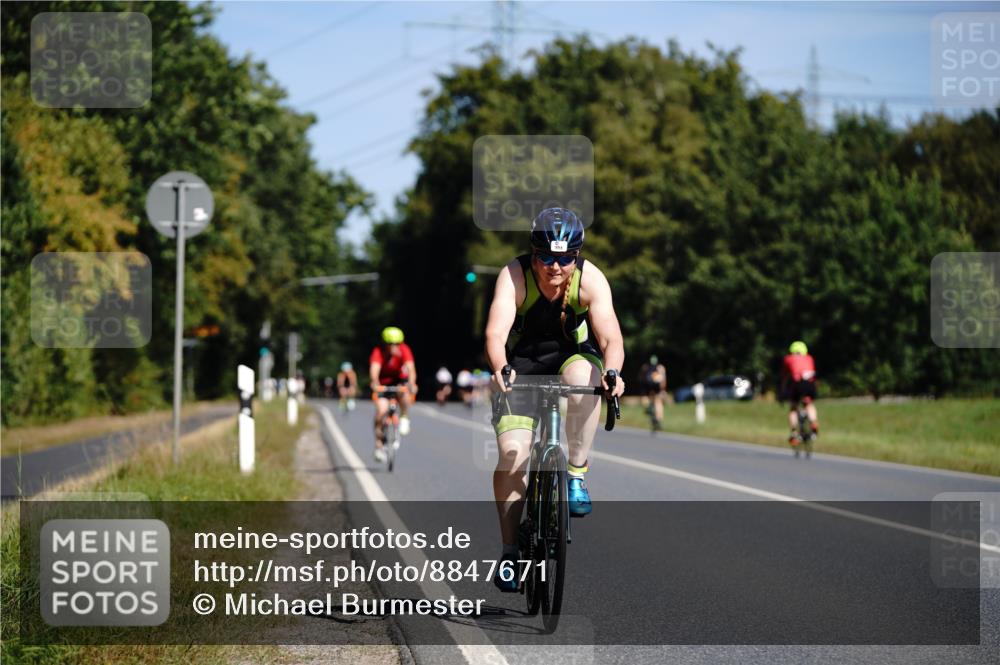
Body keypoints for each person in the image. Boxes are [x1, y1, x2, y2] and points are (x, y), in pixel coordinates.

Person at [484, 207, 625, 591]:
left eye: (565, 258)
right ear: (534, 254)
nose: (555, 267)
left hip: (572, 357)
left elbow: (611, 337)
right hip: (523, 366)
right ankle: (510, 551)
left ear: (576, 256)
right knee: (512, 457)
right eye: (547, 257)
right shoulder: (514, 276)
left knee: (585, 377)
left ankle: (576, 473)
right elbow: (496, 333)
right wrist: (500, 367)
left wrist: (613, 372)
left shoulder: (590, 278)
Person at [369, 327, 417, 462]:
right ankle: (379, 445)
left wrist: (412, 384)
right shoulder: (378, 352)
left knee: (405, 393)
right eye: (390, 343)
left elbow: (411, 368)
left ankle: (405, 416)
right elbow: (374, 369)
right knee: (381, 412)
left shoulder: (404, 350)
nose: (393, 346)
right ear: (385, 343)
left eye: (397, 343)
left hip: (399, 381)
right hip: (383, 384)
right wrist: (374, 382)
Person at [780, 341, 819, 446]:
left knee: (793, 407)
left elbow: (785, 376)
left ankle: (794, 433)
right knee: (808, 403)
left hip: (797, 383)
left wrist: (783, 390)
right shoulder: (809, 358)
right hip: (810, 383)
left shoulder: (788, 359)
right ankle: (813, 422)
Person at [638, 354, 667, 430]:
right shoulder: (660, 368)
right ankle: (658, 418)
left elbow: (641, 378)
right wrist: (663, 390)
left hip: (647, 387)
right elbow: (663, 380)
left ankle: (650, 411)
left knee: (648, 400)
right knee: (658, 402)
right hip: (657, 388)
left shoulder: (645, 367)